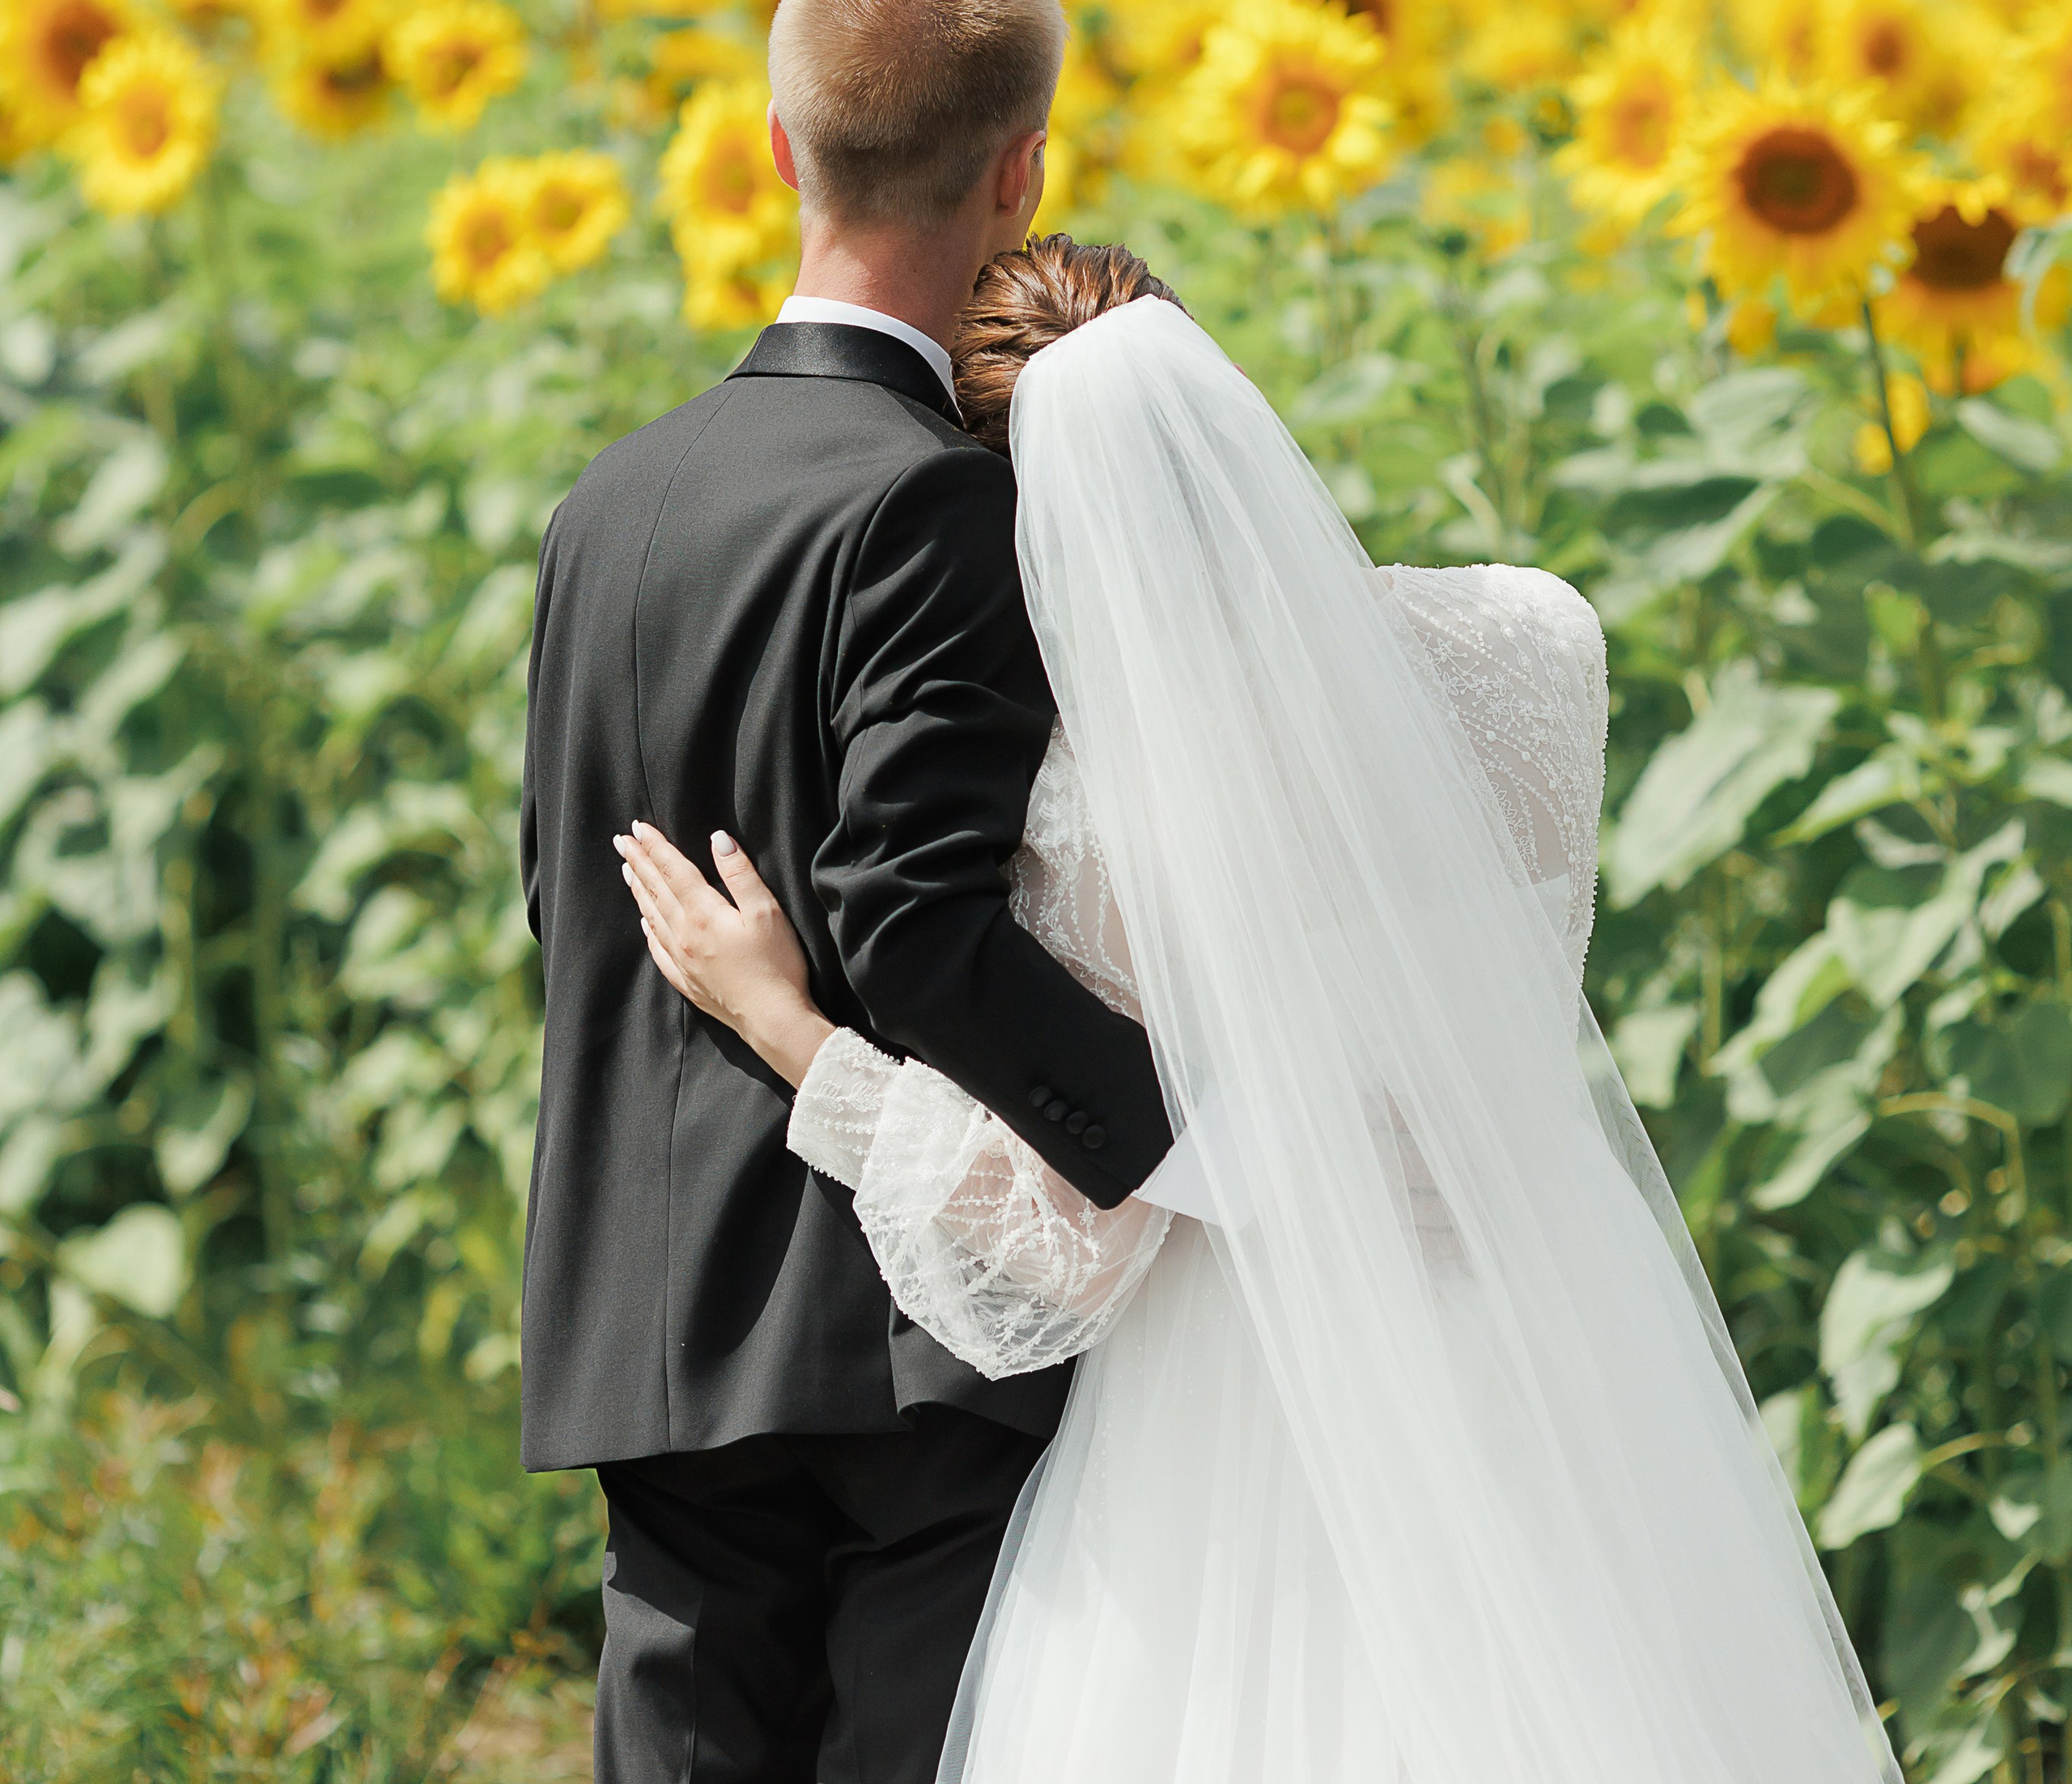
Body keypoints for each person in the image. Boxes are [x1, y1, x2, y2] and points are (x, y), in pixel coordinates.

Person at [620, 239, 1904, 1784]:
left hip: (1250, 1400)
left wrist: (788, 1030)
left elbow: (1071, 1245)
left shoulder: (1092, 813)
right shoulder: (1534, 646)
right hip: (1544, 1320)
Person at [519, 0, 1174, 1784]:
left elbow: (565, 890)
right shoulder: (935, 499)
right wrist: (1165, 1134)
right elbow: (911, 920)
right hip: (897, 1332)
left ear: (776, 148)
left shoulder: (606, 502)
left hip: (651, 1310)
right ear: (1019, 172)